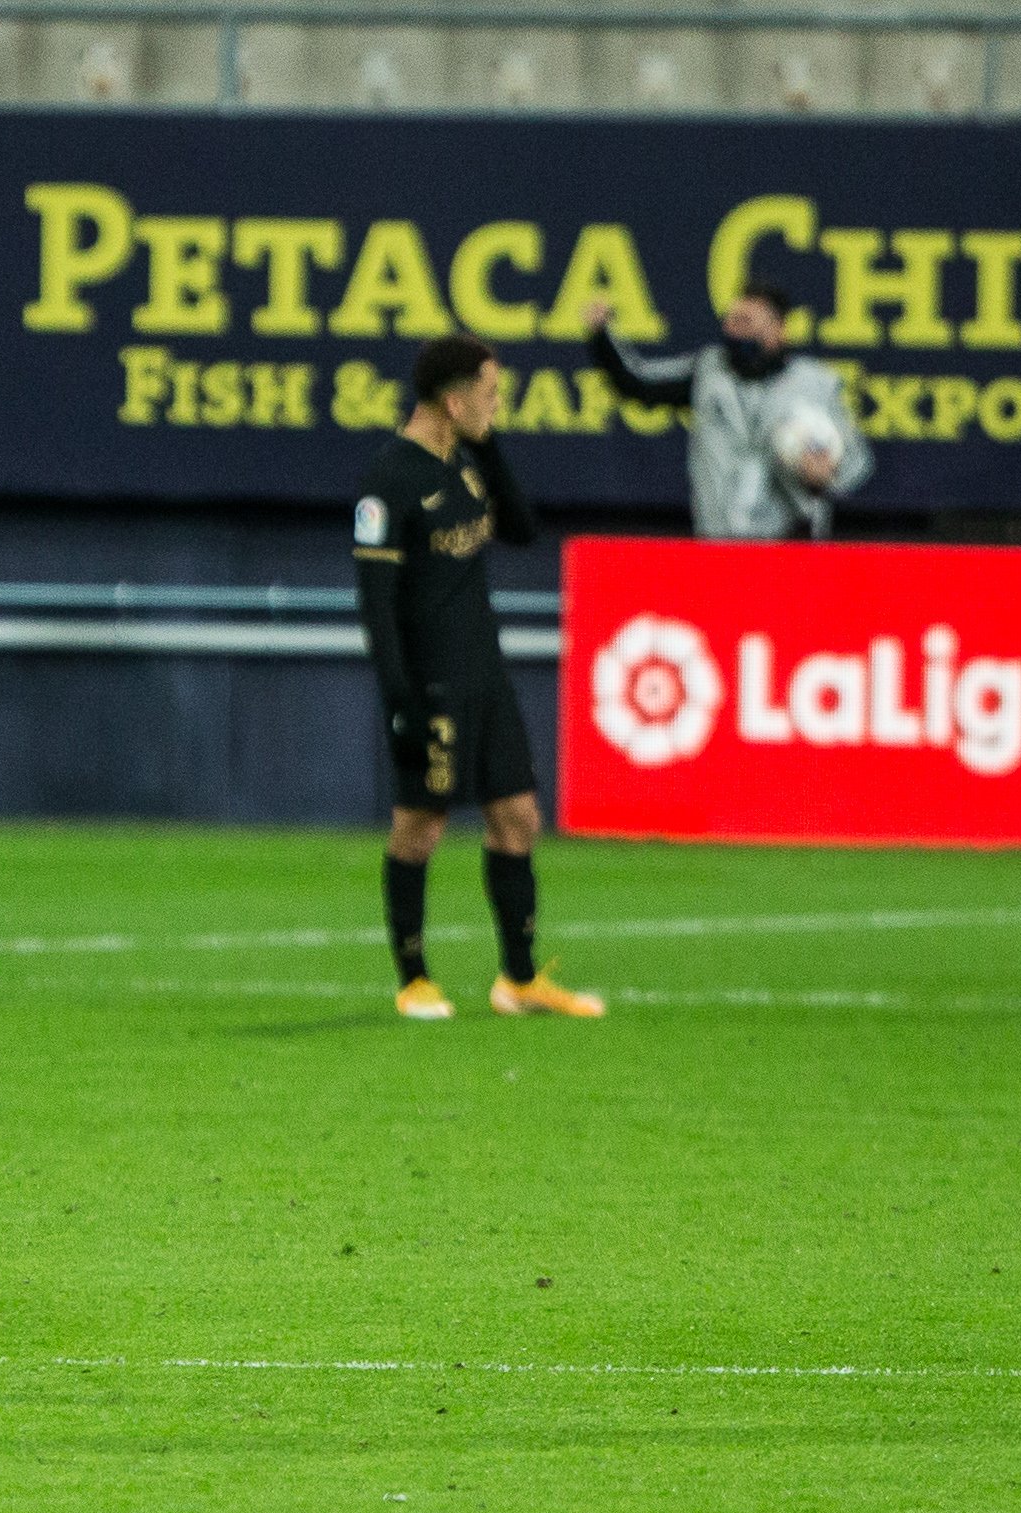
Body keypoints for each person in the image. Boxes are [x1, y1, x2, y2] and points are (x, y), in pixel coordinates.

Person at [353, 334, 604, 1023]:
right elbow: (375, 603)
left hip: (483, 676)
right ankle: (414, 979)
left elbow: (522, 527)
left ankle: (517, 979)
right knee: (419, 828)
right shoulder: (390, 479)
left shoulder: (463, 464)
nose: (497, 405)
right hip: (430, 684)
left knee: (518, 818)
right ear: (452, 398)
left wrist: (488, 447)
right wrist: (398, 699)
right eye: (489, 394)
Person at [587, 281, 873, 540]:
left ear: (777, 329)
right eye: (731, 320)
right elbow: (638, 383)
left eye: (745, 321)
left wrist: (828, 473)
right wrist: (602, 336)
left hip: (791, 547)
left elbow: (856, 460)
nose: (733, 330)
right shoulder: (709, 372)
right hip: (719, 546)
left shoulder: (815, 384)